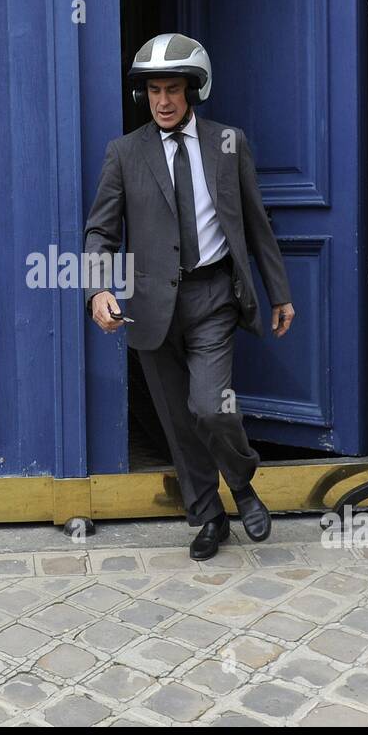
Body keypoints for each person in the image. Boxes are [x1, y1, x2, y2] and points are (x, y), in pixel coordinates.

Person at [83, 32, 295, 560]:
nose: (163, 101)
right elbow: (99, 232)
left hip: (213, 297)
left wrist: (279, 293)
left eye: (173, 89)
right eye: (154, 91)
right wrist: (96, 290)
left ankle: (243, 487)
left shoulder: (229, 143)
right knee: (179, 425)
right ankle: (209, 519)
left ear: (194, 90)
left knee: (210, 407)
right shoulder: (124, 153)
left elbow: (255, 223)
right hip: (152, 308)